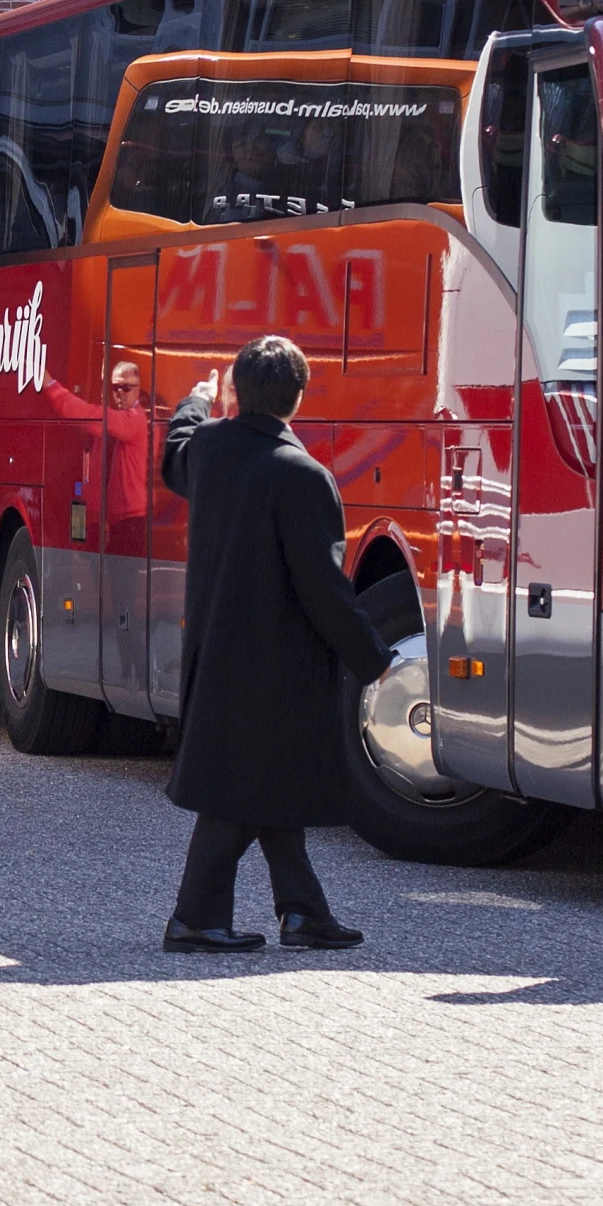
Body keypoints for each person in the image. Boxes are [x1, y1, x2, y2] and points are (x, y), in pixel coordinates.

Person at [154, 336, 389, 954]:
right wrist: (371, 656)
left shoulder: (210, 450)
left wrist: (196, 400)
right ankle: (194, 918)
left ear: (237, 390)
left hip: (216, 651)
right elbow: (323, 587)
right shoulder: (302, 475)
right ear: (299, 397)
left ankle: (304, 913)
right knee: (243, 793)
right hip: (277, 663)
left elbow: (177, 447)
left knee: (270, 785)